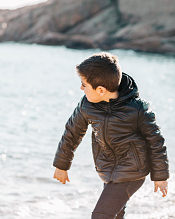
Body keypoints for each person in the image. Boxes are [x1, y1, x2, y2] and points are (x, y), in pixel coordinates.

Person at [53, 52, 169, 219]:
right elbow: (72, 132)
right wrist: (62, 165)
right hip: (108, 170)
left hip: (132, 172)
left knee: (100, 216)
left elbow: (156, 141)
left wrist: (160, 176)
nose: (81, 88)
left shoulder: (137, 109)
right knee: (115, 215)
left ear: (100, 90)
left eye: (84, 84)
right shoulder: (87, 105)